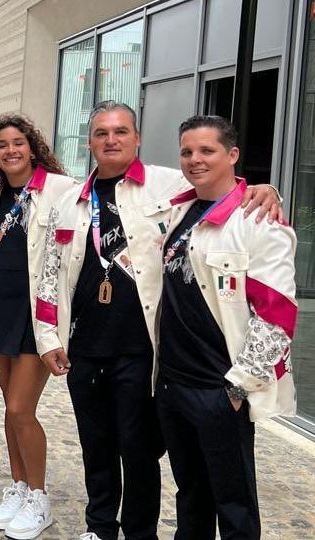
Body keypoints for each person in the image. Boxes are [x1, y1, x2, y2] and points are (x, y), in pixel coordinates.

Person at [34, 101, 282, 540]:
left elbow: (224, 191)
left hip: (145, 352)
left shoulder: (171, 186)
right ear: (89, 142)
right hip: (86, 347)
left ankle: (139, 533)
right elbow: (48, 273)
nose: (111, 140)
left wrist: (266, 190)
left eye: (121, 132)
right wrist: (47, 336)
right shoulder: (70, 200)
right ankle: (99, 527)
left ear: (137, 138)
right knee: (98, 448)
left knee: (140, 453)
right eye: (101, 133)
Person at [156, 115, 296, 540]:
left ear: (232, 155)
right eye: (186, 151)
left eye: (207, 151)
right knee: (190, 494)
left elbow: (277, 316)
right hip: (173, 382)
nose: (195, 160)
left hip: (219, 388)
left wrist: (237, 389)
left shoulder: (259, 221)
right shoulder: (177, 207)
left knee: (233, 504)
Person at [0, 114, 78, 538]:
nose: (11, 150)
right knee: (9, 409)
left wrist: (256, 186)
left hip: (39, 315)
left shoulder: (62, 190)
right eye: (2, 145)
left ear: (33, 148)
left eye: (18, 143)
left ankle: (39, 497)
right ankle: (17, 487)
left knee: (20, 409)